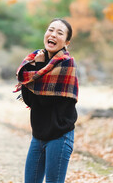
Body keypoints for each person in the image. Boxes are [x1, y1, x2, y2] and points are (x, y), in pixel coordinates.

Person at [14, 18, 79, 183]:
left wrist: (39, 68)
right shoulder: (34, 59)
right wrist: (38, 67)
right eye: (51, 30)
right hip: (38, 136)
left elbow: (44, 101)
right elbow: (29, 100)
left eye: (60, 33)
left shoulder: (67, 65)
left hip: (59, 136)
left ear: (67, 42)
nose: (53, 35)